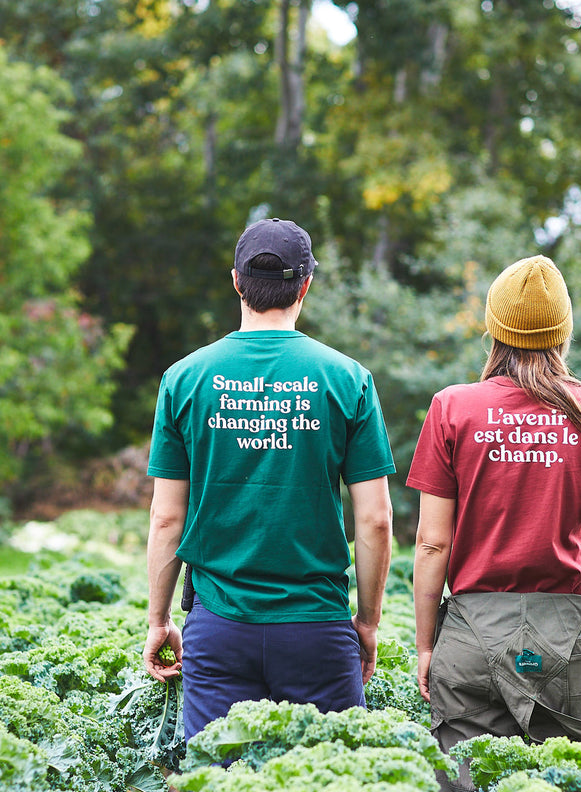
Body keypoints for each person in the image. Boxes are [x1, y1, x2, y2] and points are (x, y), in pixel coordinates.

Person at [406, 254, 581, 792]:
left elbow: (431, 543)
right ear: (563, 334)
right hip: (573, 640)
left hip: (471, 635)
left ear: (495, 330)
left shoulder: (452, 409)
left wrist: (428, 644)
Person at [143, 218, 395, 743]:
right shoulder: (348, 378)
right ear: (305, 285)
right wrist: (366, 622)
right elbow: (374, 519)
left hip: (219, 626)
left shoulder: (184, 378)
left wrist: (158, 619)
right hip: (318, 628)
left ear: (236, 281)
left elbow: (167, 515)